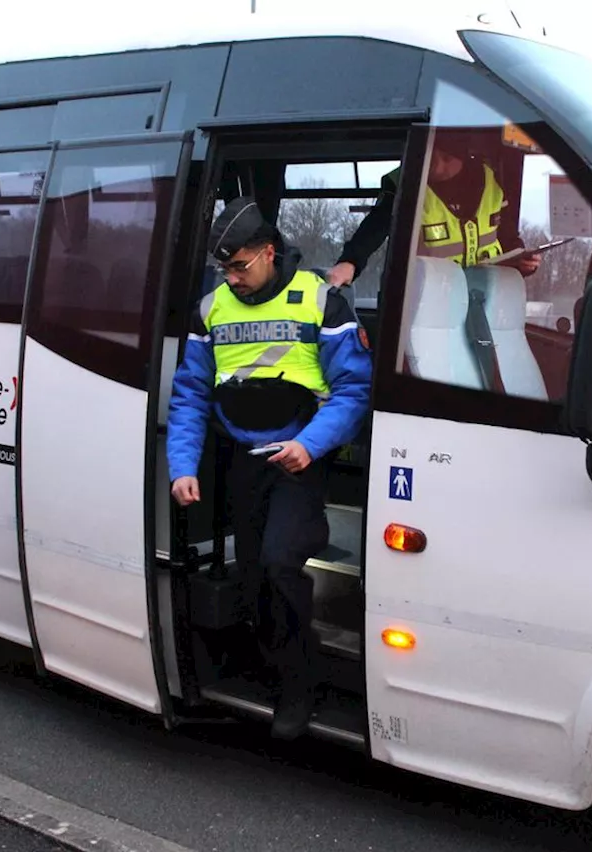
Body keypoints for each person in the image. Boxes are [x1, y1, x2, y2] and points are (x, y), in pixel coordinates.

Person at [167, 197, 372, 740]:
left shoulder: (320, 301)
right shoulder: (211, 309)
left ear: (269, 251)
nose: (232, 279)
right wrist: (182, 466)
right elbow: (189, 395)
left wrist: (310, 445)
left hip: (300, 460)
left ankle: (299, 684)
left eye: (240, 266)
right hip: (243, 460)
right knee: (256, 571)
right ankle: (271, 658)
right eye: (224, 269)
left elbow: (354, 390)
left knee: (282, 562)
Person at [325, 134, 541, 287]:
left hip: (483, 296)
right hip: (425, 300)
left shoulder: (491, 182)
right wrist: (350, 262)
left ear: (464, 159)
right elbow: (375, 227)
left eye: (447, 159)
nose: (437, 166)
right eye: (431, 157)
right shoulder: (406, 182)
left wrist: (522, 261)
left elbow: (507, 237)